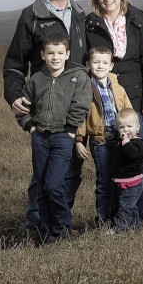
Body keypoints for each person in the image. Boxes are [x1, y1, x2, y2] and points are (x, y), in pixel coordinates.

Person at [3, 0, 88, 243]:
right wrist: (14, 94)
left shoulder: (79, 16)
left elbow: (89, 60)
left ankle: (59, 225)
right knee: (42, 175)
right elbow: (15, 62)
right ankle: (36, 228)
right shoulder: (32, 15)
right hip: (45, 108)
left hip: (74, 105)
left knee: (71, 170)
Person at [86, 0, 143, 223]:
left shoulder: (138, 21)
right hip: (104, 99)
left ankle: (136, 216)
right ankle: (115, 217)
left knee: (133, 157)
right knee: (110, 159)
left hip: (134, 103)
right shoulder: (92, 24)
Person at [16, 33, 91, 244]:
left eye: (60, 53)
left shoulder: (77, 77)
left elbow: (81, 104)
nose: (55, 57)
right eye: (50, 53)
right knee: (41, 186)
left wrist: (69, 130)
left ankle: (62, 229)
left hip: (62, 138)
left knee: (54, 185)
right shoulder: (36, 80)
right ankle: (46, 233)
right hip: (40, 137)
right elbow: (23, 108)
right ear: (43, 55)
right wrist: (30, 127)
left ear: (67, 54)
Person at [75, 46, 133, 227]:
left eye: (105, 63)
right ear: (88, 64)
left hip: (120, 140)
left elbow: (128, 112)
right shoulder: (85, 88)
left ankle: (119, 217)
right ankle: (103, 220)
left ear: (111, 66)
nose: (100, 66)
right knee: (105, 181)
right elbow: (81, 117)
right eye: (96, 62)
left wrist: (132, 135)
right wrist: (78, 140)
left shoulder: (118, 88)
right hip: (100, 141)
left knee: (119, 179)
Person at [110, 108, 143, 232]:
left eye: (129, 126)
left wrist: (125, 141)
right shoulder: (121, 143)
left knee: (125, 206)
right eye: (121, 127)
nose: (125, 130)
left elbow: (132, 154)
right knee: (130, 207)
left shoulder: (140, 143)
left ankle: (121, 228)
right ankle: (135, 225)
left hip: (132, 183)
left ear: (138, 127)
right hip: (122, 182)